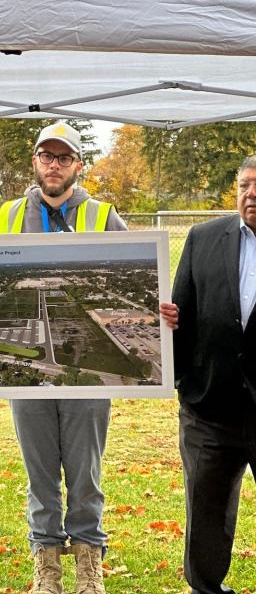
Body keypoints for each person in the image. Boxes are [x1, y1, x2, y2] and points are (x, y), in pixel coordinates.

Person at [0, 122, 125, 594]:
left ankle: (89, 563)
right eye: (46, 156)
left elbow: (146, 276)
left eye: (63, 157)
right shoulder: (8, 215)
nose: (54, 165)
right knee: (39, 472)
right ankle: (46, 563)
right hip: (28, 383)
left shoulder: (105, 215)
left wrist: (160, 314)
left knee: (85, 469)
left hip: (88, 385)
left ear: (78, 165)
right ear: (35, 162)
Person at [159, 155, 256, 594]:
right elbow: (180, 316)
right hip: (209, 410)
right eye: (244, 185)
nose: (251, 194)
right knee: (206, 514)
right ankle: (205, 589)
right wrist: (180, 383)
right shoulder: (202, 239)